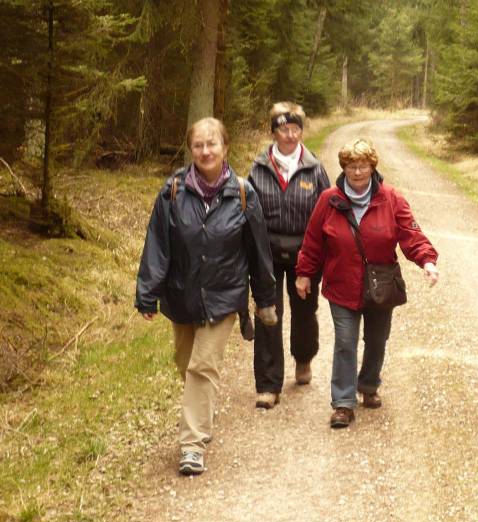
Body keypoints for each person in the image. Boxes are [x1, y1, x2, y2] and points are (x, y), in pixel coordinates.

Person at [135, 117, 278, 476]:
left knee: (202, 366)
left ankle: (192, 445)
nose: (205, 151)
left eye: (212, 143)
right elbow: (158, 245)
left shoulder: (243, 194)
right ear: (191, 149)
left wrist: (265, 299)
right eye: (198, 145)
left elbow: (259, 253)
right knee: (185, 363)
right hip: (181, 295)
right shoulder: (172, 191)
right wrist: (148, 293)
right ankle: (202, 411)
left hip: (224, 296)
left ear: (225, 147)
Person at [295, 138, 439, 428]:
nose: (358, 172)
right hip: (341, 284)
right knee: (345, 342)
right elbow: (313, 241)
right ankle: (343, 402)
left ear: (373, 166)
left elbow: (411, 234)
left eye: (363, 166)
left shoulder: (391, 198)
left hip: (380, 285)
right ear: (344, 168)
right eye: (351, 166)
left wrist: (427, 260)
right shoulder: (329, 199)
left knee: (377, 340)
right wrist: (304, 273)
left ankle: (369, 384)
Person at [247, 102, 331, 410]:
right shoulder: (258, 168)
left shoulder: (315, 168)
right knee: (268, 314)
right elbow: (246, 213)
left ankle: (304, 358)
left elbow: (328, 212)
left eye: (296, 129)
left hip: (305, 254)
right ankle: (268, 385)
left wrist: (326, 254)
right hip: (266, 254)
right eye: (284, 129)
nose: (291, 135)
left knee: (305, 312)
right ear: (273, 131)